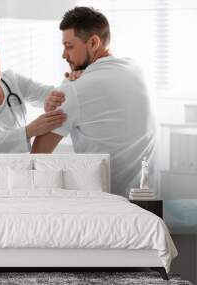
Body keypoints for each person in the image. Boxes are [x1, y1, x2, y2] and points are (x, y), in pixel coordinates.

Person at [32, 7, 157, 197]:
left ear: (93, 42)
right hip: (148, 205)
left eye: (69, 46)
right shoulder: (136, 69)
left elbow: (38, 155)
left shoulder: (74, 89)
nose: (64, 55)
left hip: (106, 208)